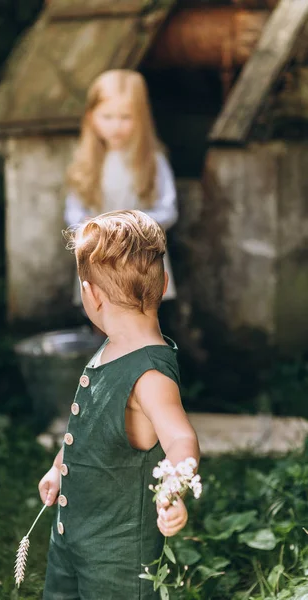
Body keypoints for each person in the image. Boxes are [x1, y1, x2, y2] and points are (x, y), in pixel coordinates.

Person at [39, 210, 200, 599]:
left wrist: (172, 489)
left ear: (89, 294)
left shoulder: (149, 374)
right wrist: (60, 466)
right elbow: (90, 427)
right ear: (163, 285)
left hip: (119, 559)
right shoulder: (112, 348)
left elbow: (181, 440)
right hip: (73, 536)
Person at [64, 69, 178, 306]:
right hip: (98, 259)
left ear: (141, 118)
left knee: (141, 315)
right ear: (91, 116)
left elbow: (168, 210)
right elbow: (72, 211)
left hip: (141, 261)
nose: (116, 126)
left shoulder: (153, 160)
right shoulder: (84, 162)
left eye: (125, 117)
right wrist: (88, 228)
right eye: (107, 116)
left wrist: (131, 227)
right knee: (100, 313)